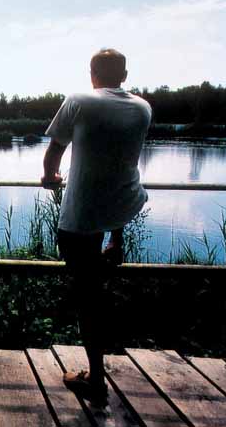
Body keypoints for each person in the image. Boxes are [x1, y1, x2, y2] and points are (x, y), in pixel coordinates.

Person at [41, 48, 152, 400]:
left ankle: (96, 379)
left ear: (92, 73)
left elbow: (55, 151)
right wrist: (115, 237)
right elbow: (119, 165)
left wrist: (49, 177)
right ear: (124, 74)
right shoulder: (143, 108)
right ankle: (98, 368)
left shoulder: (79, 101)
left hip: (80, 216)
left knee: (87, 298)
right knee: (96, 294)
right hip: (118, 209)